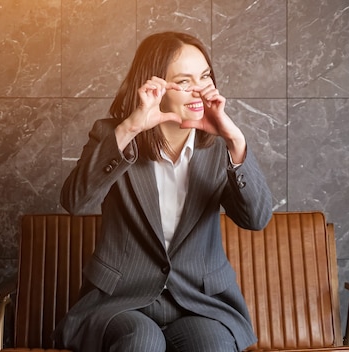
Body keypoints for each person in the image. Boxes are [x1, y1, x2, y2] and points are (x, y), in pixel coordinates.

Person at [54, 31, 273, 352]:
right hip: (122, 301)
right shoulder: (113, 135)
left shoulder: (218, 147)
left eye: (205, 77)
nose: (199, 89)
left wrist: (236, 142)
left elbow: (256, 219)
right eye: (184, 81)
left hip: (201, 301)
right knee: (142, 342)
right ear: (153, 86)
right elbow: (75, 202)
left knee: (213, 346)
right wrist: (129, 128)